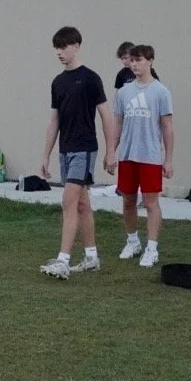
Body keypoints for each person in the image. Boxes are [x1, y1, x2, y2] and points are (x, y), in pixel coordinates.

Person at [39, 27, 117, 279]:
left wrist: (111, 152)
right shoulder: (58, 82)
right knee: (82, 204)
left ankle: (63, 260)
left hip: (85, 148)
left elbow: (106, 117)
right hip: (66, 150)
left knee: (68, 201)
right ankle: (92, 258)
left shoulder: (91, 79)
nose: (59, 52)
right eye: (56, 48)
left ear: (77, 46)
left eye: (63, 47)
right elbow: (54, 121)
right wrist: (46, 155)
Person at [113, 44, 173, 268]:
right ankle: (133, 241)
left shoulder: (161, 92)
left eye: (139, 60)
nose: (134, 64)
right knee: (128, 200)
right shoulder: (123, 92)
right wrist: (111, 151)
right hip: (127, 155)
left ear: (150, 61)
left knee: (150, 202)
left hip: (150, 155)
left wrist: (168, 159)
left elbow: (167, 127)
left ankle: (152, 248)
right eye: (132, 60)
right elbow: (118, 124)